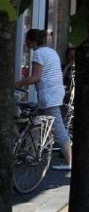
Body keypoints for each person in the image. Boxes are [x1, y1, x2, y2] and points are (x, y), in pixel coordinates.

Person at [15, 29, 72, 172]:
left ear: (32, 41)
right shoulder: (51, 52)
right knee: (37, 123)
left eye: (27, 40)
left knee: (58, 129)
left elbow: (35, 78)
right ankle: (31, 155)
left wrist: (17, 84)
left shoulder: (39, 54)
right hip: (55, 93)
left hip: (49, 96)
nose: (25, 43)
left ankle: (71, 162)